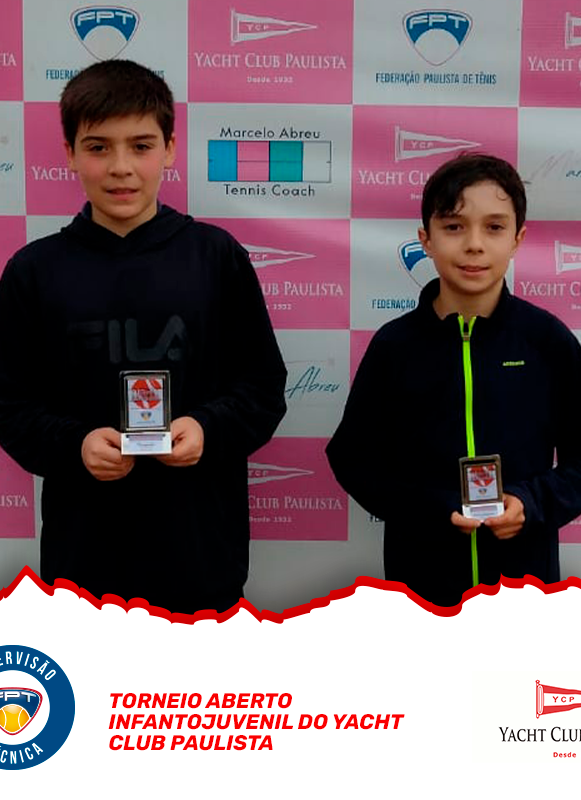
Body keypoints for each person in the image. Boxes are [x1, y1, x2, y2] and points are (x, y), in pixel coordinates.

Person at [0, 60, 287, 614]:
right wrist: (75, 444)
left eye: (141, 145)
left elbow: (263, 389)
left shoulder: (216, 257)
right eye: (98, 147)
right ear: (69, 154)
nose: (121, 167)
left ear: (170, 150)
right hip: (83, 566)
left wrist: (207, 428)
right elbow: (9, 406)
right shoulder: (33, 271)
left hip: (201, 560)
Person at [326, 153, 581, 607]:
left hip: (524, 593)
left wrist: (531, 503)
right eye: (454, 226)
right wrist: (431, 508)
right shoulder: (395, 345)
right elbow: (352, 459)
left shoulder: (547, 341)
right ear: (426, 239)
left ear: (518, 239)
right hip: (422, 589)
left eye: (494, 227)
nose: (474, 245)